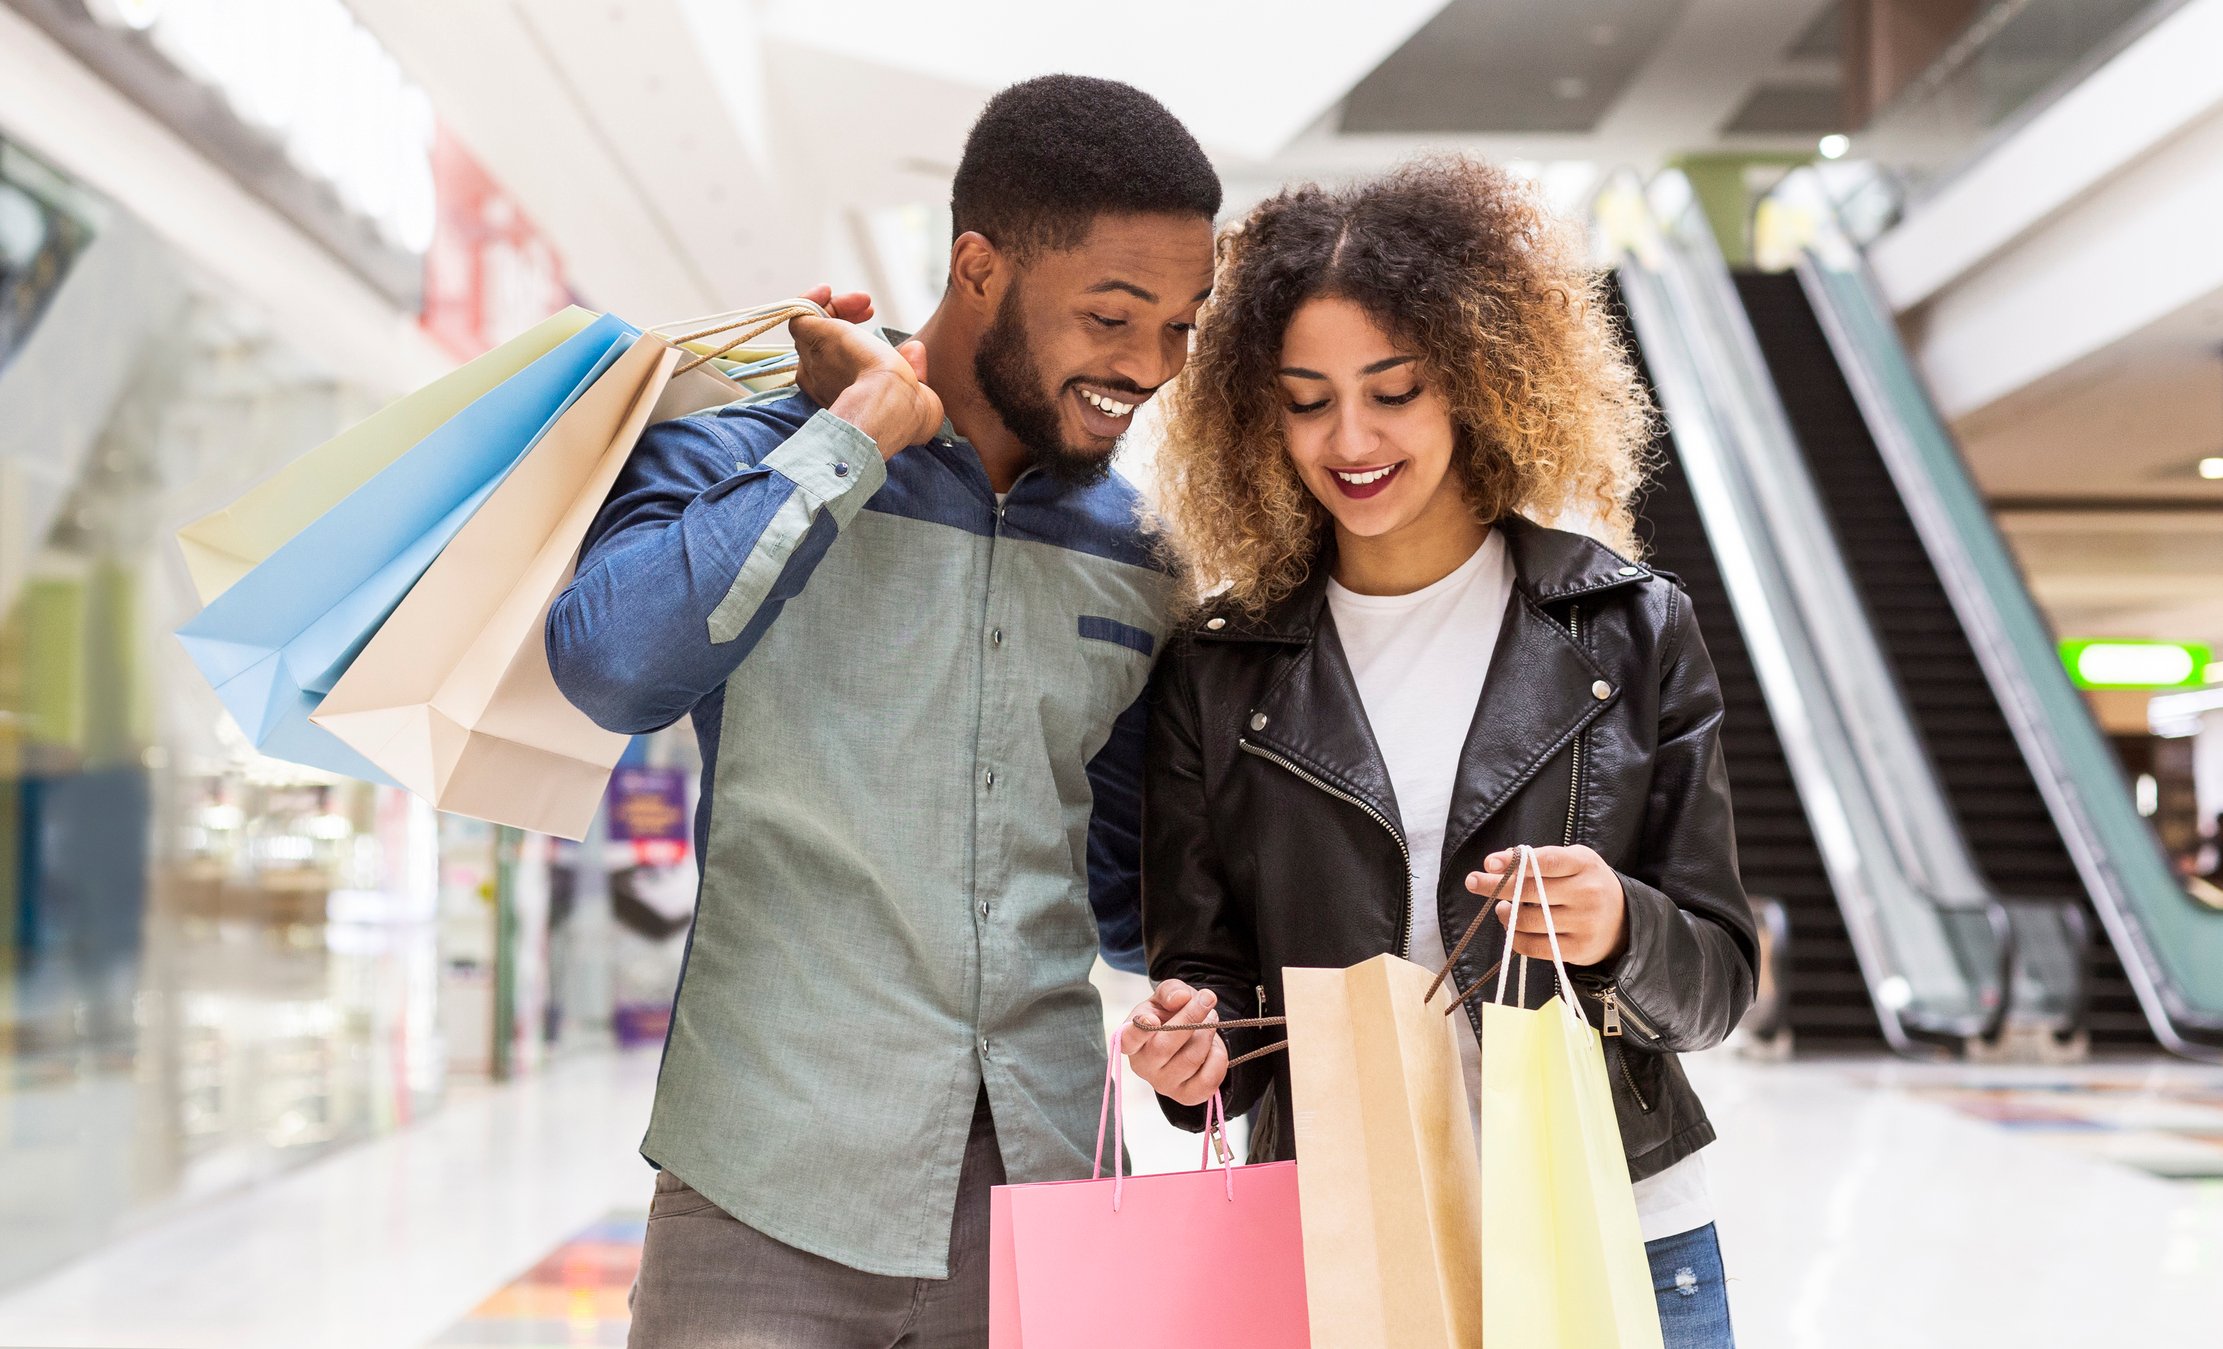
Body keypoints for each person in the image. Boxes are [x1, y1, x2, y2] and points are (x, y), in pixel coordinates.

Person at [546, 75, 1219, 1347]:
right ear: (979, 266)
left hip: (1049, 1195)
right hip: (764, 1193)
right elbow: (611, 668)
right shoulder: (740, 456)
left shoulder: (1147, 555)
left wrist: (1207, 985)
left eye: (1183, 324)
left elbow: (1126, 890)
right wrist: (851, 437)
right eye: (1113, 316)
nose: (1150, 366)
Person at [1120, 157, 1756, 1347]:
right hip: (1343, 1234)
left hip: (1613, 1221)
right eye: (1307, 398)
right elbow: (1212, 978)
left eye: (1394, 389)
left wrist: (1618, 922)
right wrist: (1188, 1050)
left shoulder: (1630, 627)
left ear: (1477, 381)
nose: (1349, 437)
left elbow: (1717, 976)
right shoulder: (1220, 668)